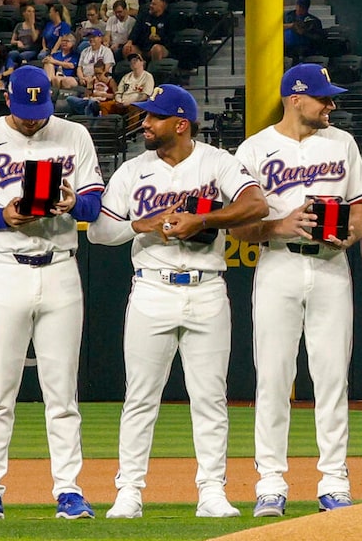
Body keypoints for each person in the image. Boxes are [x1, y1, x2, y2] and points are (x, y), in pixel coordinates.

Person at [92, 85, 265, 516]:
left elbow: (256, 203)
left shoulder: (217, 162)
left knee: (210, 396)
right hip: (152, 285)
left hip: (207, 287)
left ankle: (211, 491)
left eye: (154, 117)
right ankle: (129, 490)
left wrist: (203, 218)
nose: (145, 123)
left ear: (181, 123)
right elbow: (100, 232)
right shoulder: (132, 171)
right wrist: (146, 224)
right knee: (140, 396)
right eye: (146, 116)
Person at [0, 63, 105, 520]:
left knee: (62, 393)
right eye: (24, 109)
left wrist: (74, 202)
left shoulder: (74, 135)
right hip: (4, 270)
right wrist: (3, 217)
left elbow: (95, 204)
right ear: (7, 100)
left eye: (39, 109)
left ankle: (69, 490)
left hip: (60, 269)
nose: (33, 118)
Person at [231, 62, 362, 515]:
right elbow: (240, 230)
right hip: (278, 266)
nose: (331, 104)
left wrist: (350, 234)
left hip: (332, 266)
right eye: (323, 97)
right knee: (273, 376)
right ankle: (270, 482)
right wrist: (281, 224)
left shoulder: (343, 143)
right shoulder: (254, 149)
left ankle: (334, 480)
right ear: (295, 98)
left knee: (332, 377)